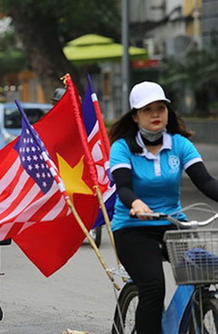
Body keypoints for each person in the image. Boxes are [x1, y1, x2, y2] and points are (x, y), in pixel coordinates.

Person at [109, 81, 218, 333]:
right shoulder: (122, 148)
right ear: (135, 116)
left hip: (173, 225)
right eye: (147, 109)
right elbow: (123, 187)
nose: (156, 114)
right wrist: (136, 203)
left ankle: (185, 323)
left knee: (201, 275)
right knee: (153, 288)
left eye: (161, 108)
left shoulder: (179, 144)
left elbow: (206, 182)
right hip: (133, 227)